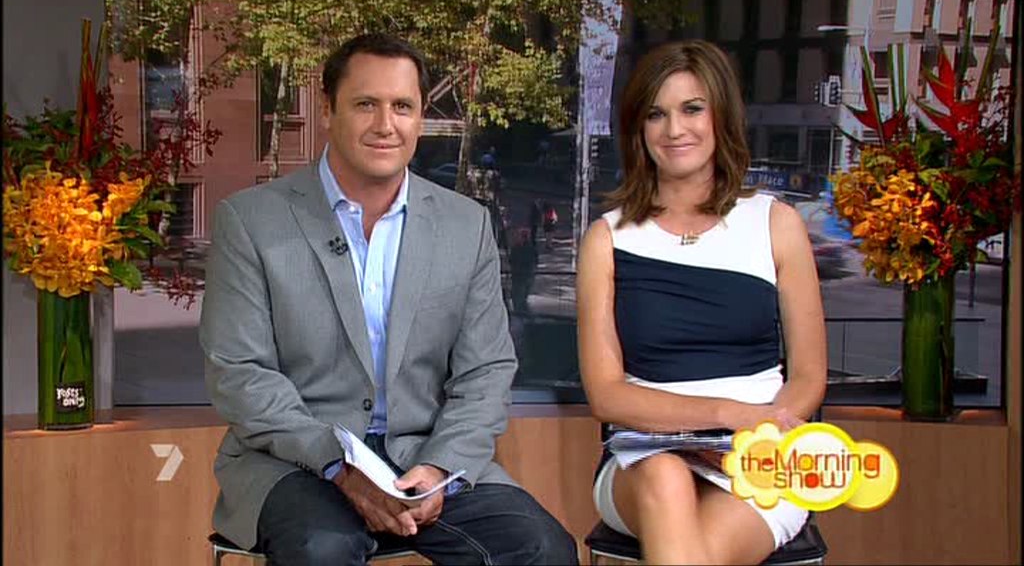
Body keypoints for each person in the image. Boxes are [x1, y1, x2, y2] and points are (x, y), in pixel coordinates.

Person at [200, 33, 577, 566]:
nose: (386, 124)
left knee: (541, 548)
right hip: (296, 460)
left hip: (424, 454)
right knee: (322, 550)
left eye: (402, 106)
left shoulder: (464, 225)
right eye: (365, 104)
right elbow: (240, 372)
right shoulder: (251, 221)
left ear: (420, 117)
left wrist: (441, 465)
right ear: (328, 110)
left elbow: (486, 371)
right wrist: (338, 464)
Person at [575, 40, 827, 565]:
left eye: (692, 109)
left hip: (757, 454)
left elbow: (808, 375)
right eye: (656, 114)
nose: (674, 129)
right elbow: (607, 395)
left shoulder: (776, 224)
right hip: (642, 455)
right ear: (638, 129)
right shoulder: (607, 239)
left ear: (720, 117)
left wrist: (761, 430)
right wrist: (724, 415)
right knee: (665, 475)